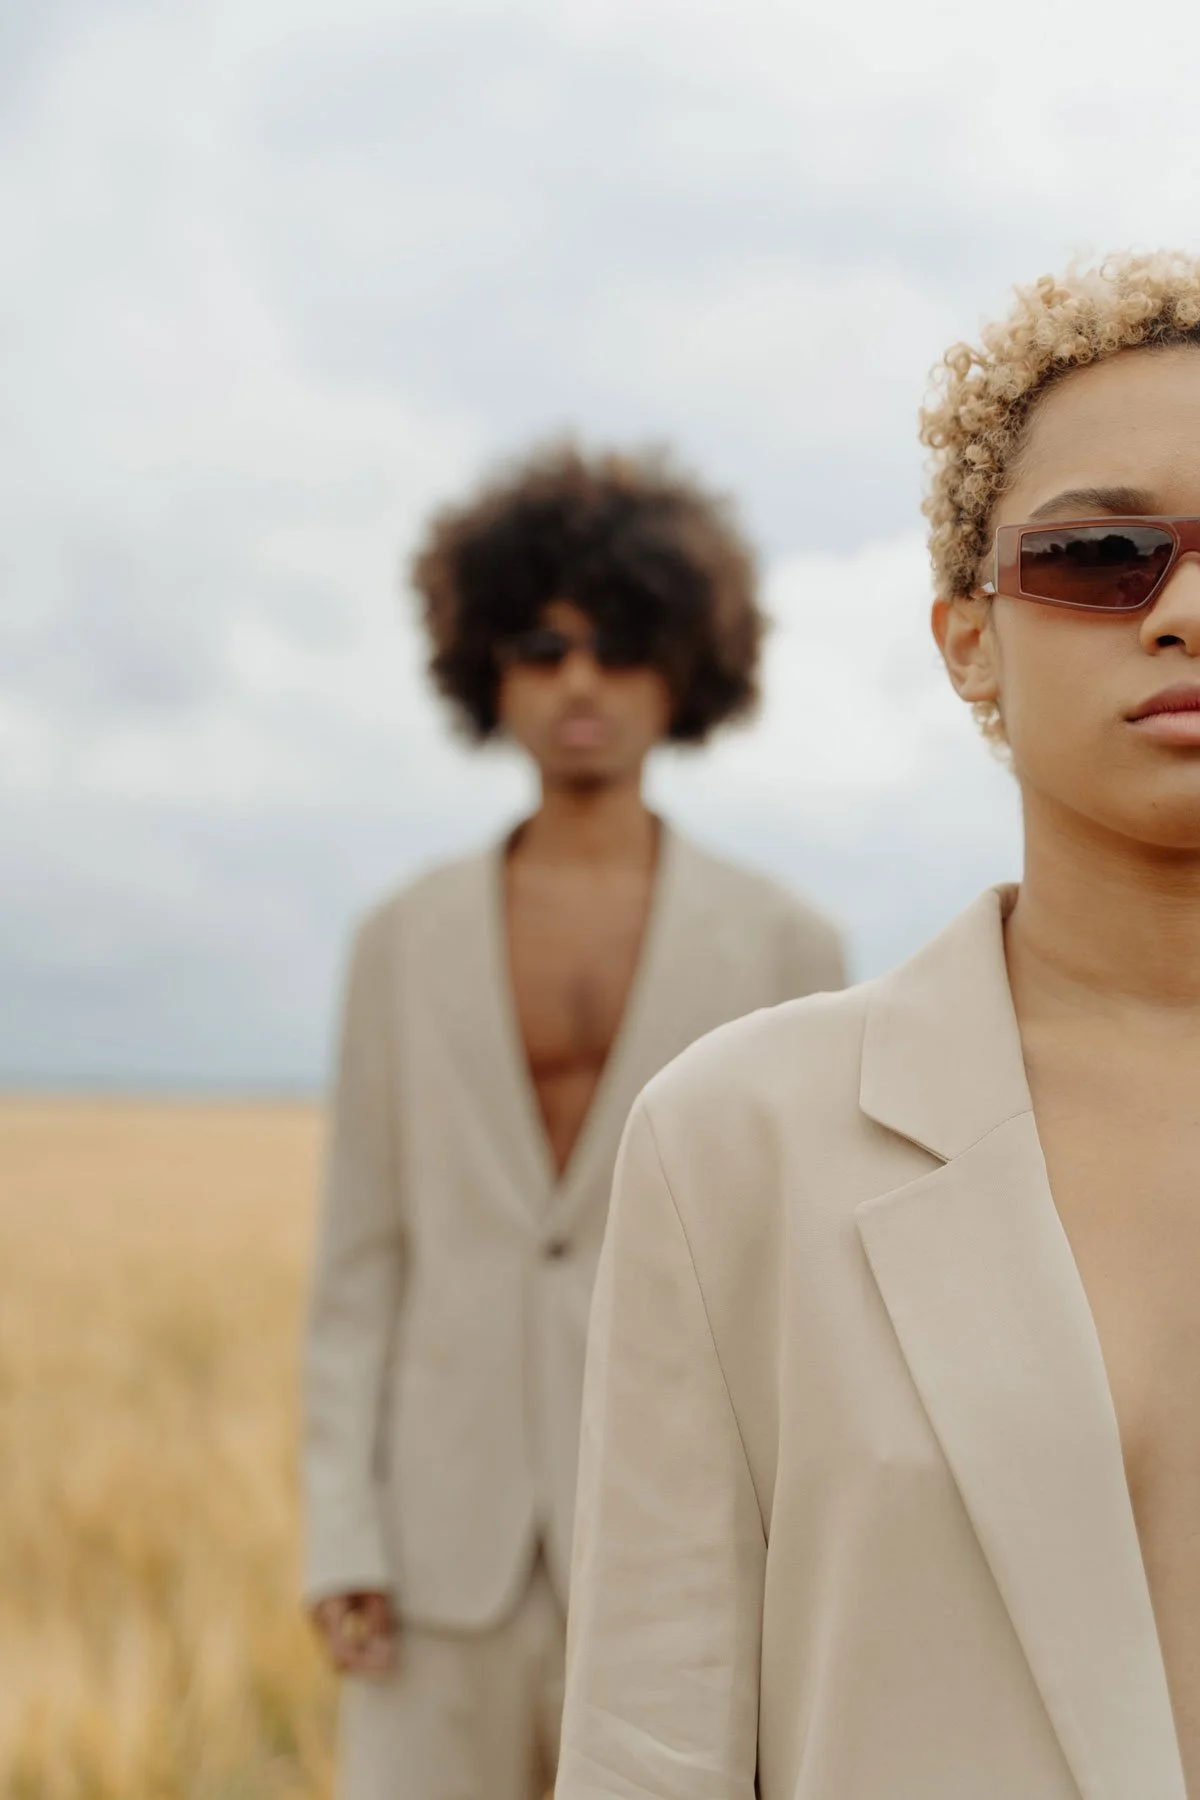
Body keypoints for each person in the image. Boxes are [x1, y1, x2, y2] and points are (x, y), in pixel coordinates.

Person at [556, 252, 1200, 1800]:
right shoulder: (739, 1144)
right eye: (1105, 552)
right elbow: (653, 1749)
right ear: (968, 635)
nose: (1184, 612)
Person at [301, 441, 846, 1800]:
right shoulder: (398, 942)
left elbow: (818, 1285)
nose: (581, 681)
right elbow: (358, 1264)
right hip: (439, 1555)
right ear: (486, 665)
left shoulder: (789, 943)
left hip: (696, 1547)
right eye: (543, 645)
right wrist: (340, 1536)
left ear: (689, 666)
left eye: (621, 643)